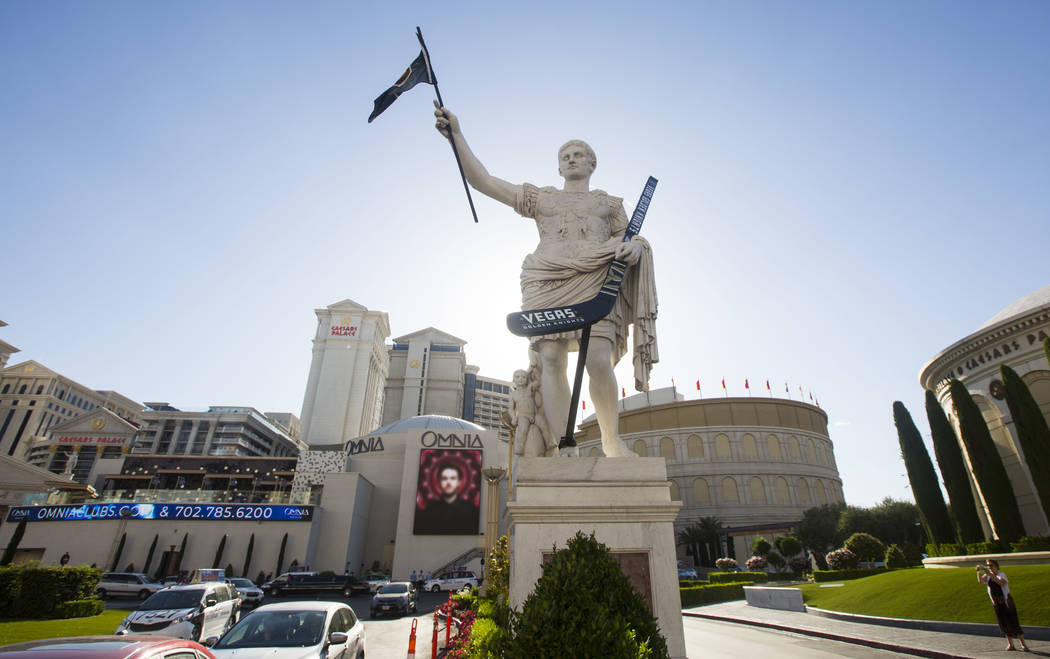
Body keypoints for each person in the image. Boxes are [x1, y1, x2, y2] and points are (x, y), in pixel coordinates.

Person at [435, 104, 658, 458]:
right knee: (552, 358)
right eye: (565, 155)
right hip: (546, 280)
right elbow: (484, 181)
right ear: (558, 166)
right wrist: (457, 136)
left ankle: (611, 440)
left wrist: (635, 248)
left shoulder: (610, 203)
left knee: (598, 357)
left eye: (579, 154)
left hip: (596, 279)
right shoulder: (542, 197)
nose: (572, 159)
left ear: (591, 164)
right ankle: (565, 445)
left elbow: (630, 238)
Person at [977, 559, 1029, 651]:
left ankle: (1023, 644)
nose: (989, 567)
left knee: (1013, 622)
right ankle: (1011, 644)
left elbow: (1001, 583)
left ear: (996, 566)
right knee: (1003, 623)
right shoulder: (989, 576)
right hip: (997, 603)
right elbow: (981, 581)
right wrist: (979, 572)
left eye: (991, 565)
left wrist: (989, 574)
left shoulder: (1001, 575)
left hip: (1006, 602)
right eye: (988, 565)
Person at [414, 462, 478, 534]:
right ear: (439, 482)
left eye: (453, 478)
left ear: (459, 482)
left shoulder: (471, 511)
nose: (448, 482)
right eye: (444, 478)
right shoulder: (428, 512)